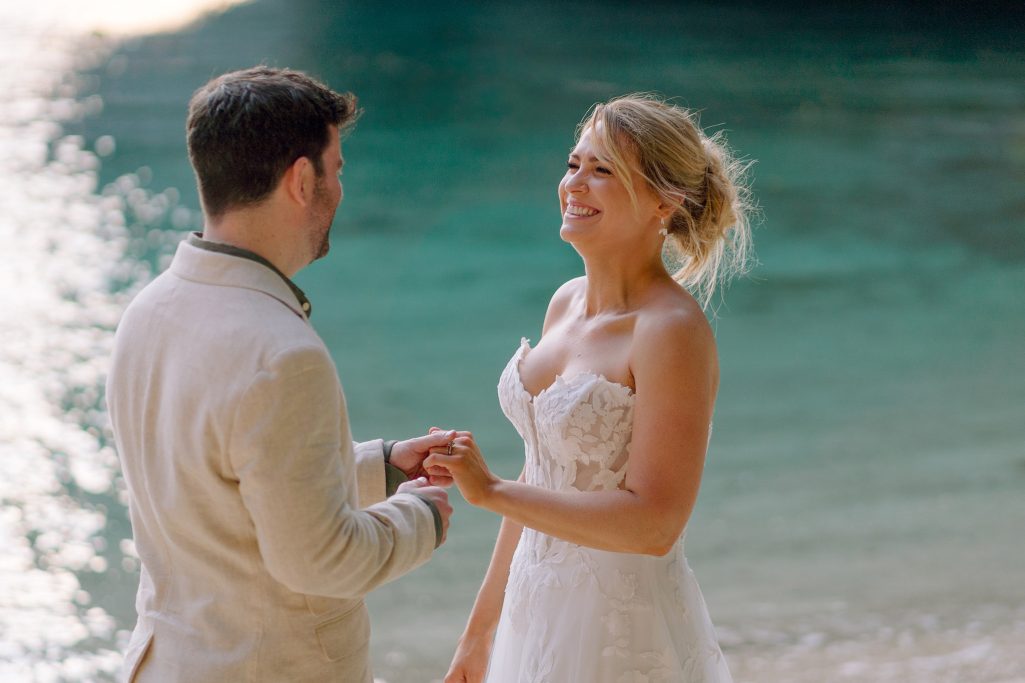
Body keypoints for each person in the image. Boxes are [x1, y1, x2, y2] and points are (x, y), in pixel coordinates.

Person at [105, 67, 455, 683]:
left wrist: (382, 465)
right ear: (301, 180)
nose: (341, 189)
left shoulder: (147, 311)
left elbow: (221, 482)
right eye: (336, 168)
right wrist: (420, 516)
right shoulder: (283, 353)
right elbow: (320, 561)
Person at [428, 94, 752, 682]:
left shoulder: (670, 332)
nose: (575, 184)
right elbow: (545, 472)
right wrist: (479, 634)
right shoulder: (564, 302)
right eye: (574, 163)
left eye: (602, 171)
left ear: (664, 201)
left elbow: (655, 525)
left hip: (617, 631)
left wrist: (491, 491)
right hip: (534, 613)